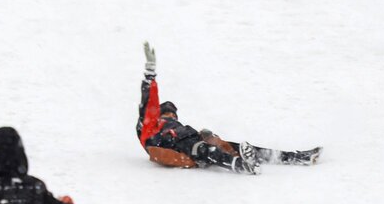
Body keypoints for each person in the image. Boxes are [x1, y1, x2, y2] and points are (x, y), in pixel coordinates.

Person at [137, 42, 322, 174]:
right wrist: (150, 75)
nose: (172, 116)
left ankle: (296, 157)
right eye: (169, 112)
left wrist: (209, 136)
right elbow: (149, 105)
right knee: (206, 150)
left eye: (173, 113)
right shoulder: (150, 128)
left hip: (193, 143)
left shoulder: (171, 126)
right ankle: (243, 166)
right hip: (186, 148)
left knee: (237, 147)